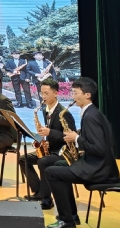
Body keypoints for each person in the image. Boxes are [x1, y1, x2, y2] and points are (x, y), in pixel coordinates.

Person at [45, 78, 119, 228]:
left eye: (75, 93)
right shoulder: (91, 113)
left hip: (99, 169)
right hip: (98, 164)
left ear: (87, 95)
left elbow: (99, 148)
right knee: (59, 164)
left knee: (51, 172)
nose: (72, 96)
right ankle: (72, 215)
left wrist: (76, 138)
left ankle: (67, 221)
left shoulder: (91, 116)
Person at [20, 78, 75, 210]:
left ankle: (47, 198)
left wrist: (50, 132)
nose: (43, 96)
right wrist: (39, 138)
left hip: (63, 153)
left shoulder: (64, 113)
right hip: (51, 149)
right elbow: (47, 133)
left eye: (46, 93)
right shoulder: (45, 110)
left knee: (43, 161)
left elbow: (70, 138)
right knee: (23, 159)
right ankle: (38, 190)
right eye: (41, 93)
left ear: (55, 93)